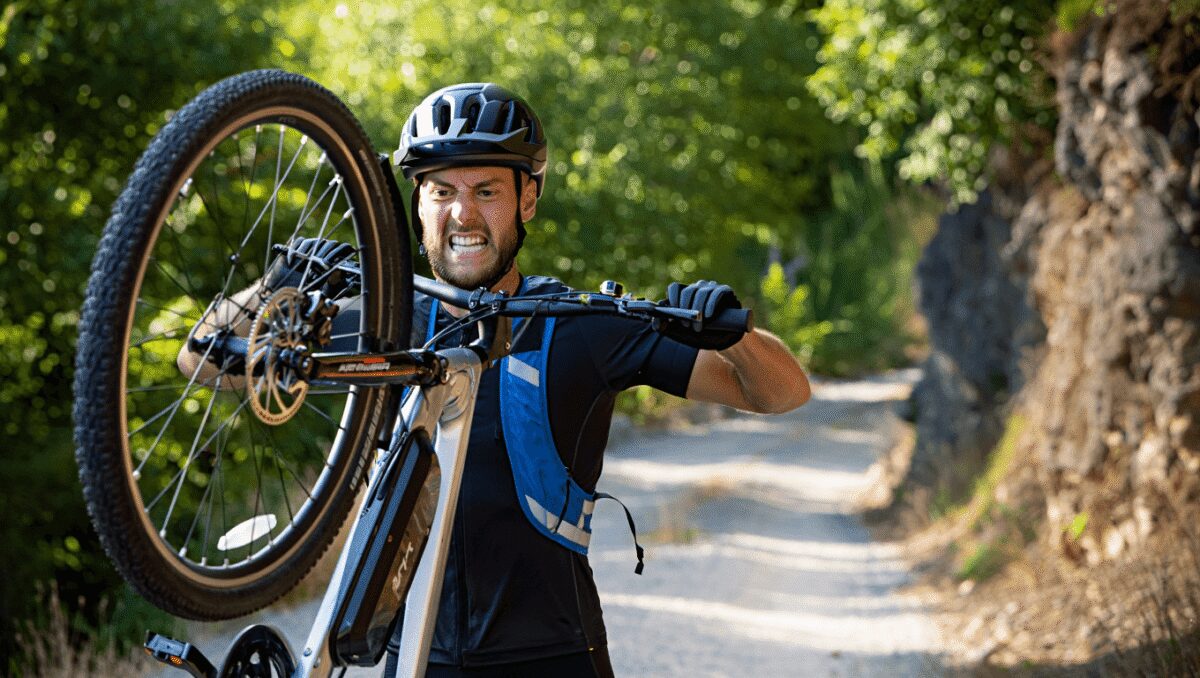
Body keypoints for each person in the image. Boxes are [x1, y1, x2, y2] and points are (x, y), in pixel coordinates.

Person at [381, 82, 810, 678]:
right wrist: (276, 291)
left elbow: (783, 393)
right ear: (419, 202)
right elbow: (205, 362)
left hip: (552, 658)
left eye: (486, 191)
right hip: (411, 660)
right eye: (442, 191)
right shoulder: (378, 320)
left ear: (527, 199)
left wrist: (731, 334)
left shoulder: (582, 325)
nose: (463, 214)